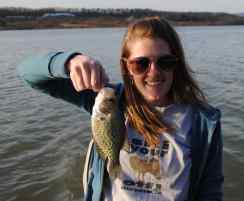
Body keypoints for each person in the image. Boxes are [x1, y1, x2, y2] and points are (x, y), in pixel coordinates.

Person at [18, 16, 224, 201]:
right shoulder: (109, 100)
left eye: (165, 62)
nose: (154, 72)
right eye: (140, 64)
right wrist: (69, 62)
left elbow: (210, 191)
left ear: (177, 64)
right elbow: (28, 73)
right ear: (127, 67)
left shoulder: (203, 121)